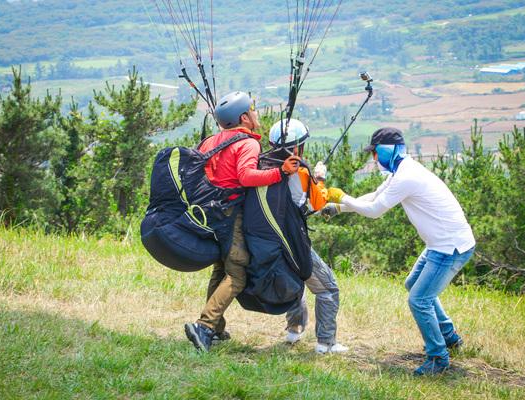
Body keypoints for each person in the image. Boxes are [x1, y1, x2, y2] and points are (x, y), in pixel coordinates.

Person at [323, 127, 475, 375]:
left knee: (419, 300)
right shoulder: (401, 171)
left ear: (386, 150)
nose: (373, 158)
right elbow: (374, 197)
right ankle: (449, 336)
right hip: (441, 245)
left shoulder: (407, 176)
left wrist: (343, 196)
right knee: (413, 283)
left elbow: (374, 211)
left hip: (450, 248)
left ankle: (438, 358)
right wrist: (339, 207)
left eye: (375, 152)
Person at [184, 92, 301, 352]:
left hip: (206, 215)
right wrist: (280, 172)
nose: (257, 114)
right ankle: (204, 327)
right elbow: (246, 176)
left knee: (220, 270)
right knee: (237, 273)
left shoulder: (210, 141)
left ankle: (216, 328)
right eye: (254, 110)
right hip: (229, 215)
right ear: (244, 118)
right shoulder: (247, 144)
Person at [269, 118, 348, 354]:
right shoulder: (299, 171)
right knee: (327, 288)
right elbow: (315, 203)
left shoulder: (265, 166)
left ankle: (294, 330)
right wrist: (320, 178)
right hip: (294, 241)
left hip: (273, 238)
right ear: (296, 148)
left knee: (296, 281)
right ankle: (326, 343)